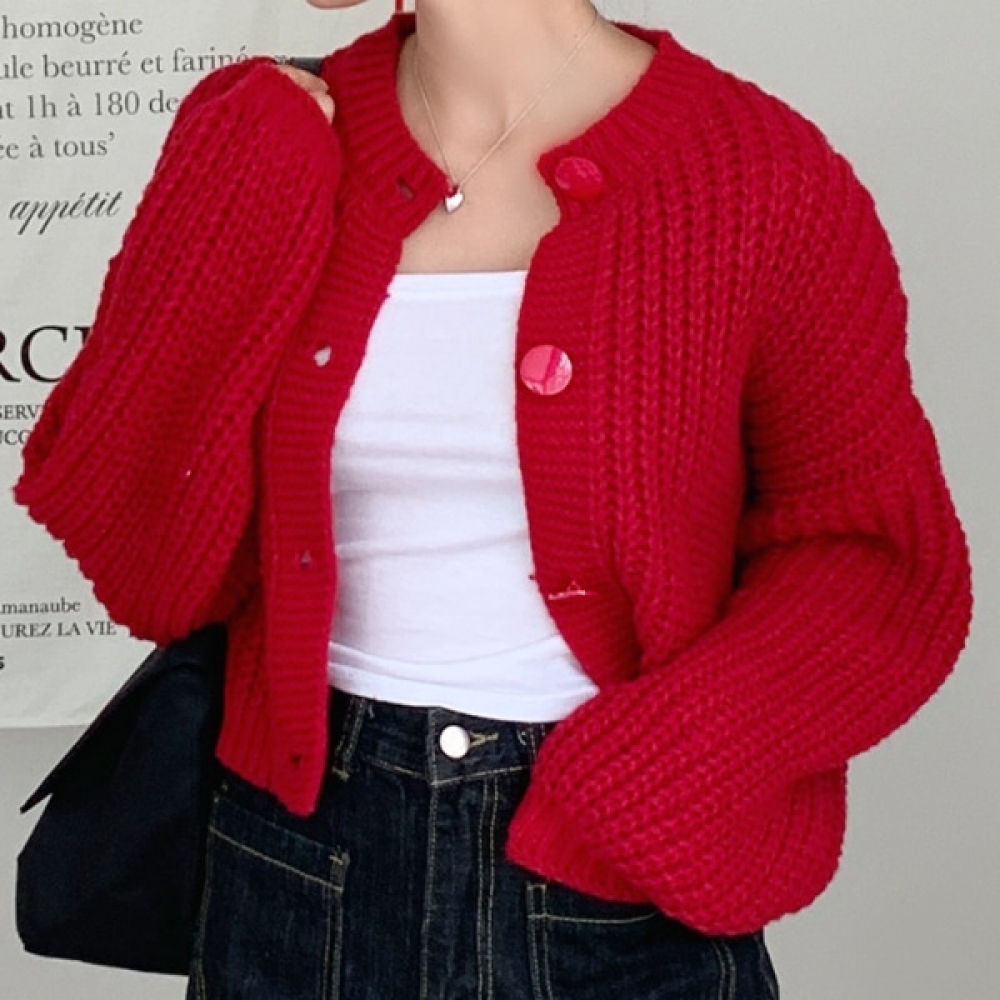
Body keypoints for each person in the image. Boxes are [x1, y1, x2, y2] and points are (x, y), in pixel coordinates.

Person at [13, 0, 973, 997]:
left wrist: (662, 770)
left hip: (609, 892)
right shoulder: (280, 130)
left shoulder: (758, 175)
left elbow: (877, 560)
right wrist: (223, 203)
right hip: (295, 866)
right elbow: (147, 571)